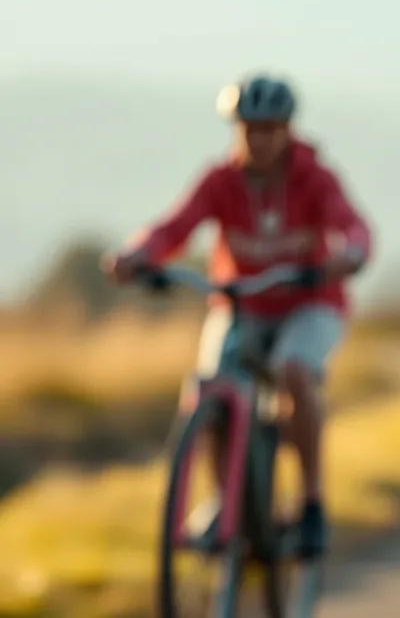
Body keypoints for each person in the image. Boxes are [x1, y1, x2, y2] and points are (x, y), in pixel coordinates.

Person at [102, 74, 373, 558]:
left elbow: (351, 223)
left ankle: (311, 505)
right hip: (240, 304)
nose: (260, 138)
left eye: (270, 128)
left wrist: (350, 254)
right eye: (250, 128)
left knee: (294, 372)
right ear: (236, 130)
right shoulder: (220, 181)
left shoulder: (314, 178)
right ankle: (223, 504)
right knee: (211, 392)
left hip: (309, 303)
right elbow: (174, 227)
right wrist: (137, 254)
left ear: (288, 129)